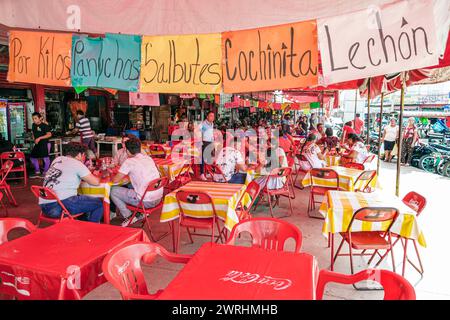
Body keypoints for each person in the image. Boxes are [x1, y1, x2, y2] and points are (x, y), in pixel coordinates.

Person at [39, 142, 103, 222]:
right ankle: (92, 228)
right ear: (80, 154)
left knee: (83, 200)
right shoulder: (77, 164)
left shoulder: (57, 159)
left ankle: (83, 224)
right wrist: (98, 175)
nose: (84, 158)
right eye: (84, 155)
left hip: (44, 206)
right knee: (98, 203)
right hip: (58, 208)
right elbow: (95, 182)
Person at [110, 137, 163, 226]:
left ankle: (129, 216)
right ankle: (138, 214)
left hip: (145, 201)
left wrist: (111, 173)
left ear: (127, 151)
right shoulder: (148, 158)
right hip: (158, 198)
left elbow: (115, 180)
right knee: (131, 185)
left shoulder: (129, 162)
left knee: (113, 191)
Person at [30, 112, 52, 178]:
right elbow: (33, 133)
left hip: (45, 144)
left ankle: (45, 172)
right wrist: (34, 138)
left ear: (40, 118)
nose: (34, 120)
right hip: (38, 144)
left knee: (45, 158)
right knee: (32, 157)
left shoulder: (44, 125)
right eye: (33, 118)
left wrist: (39, 138)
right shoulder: (33, 125)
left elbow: (49, 134)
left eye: (36, 118)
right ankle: (37, 171)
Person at [199, 111, 215, 180]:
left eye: (213, 116)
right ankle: (201, 173)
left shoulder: (212, 124)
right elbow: (199, 133)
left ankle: (207, 172)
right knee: (202, 158)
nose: (212, 117)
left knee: (209, 158)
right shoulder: (203, 124)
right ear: (207, 117)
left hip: (210, 142)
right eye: (211, 116)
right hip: (204, 142)